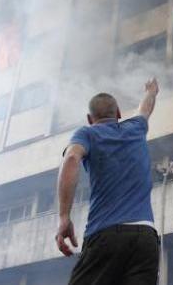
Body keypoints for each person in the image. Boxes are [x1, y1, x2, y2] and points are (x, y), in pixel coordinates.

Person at [55, 78, 160, 284]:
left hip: (106, 235)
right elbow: (145, 108)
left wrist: (64, 217)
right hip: (146, 238)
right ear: (118, 113)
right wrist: (151, 91)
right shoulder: (136, 127)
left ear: (89, 118)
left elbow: (71, 158)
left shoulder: (87, 133)